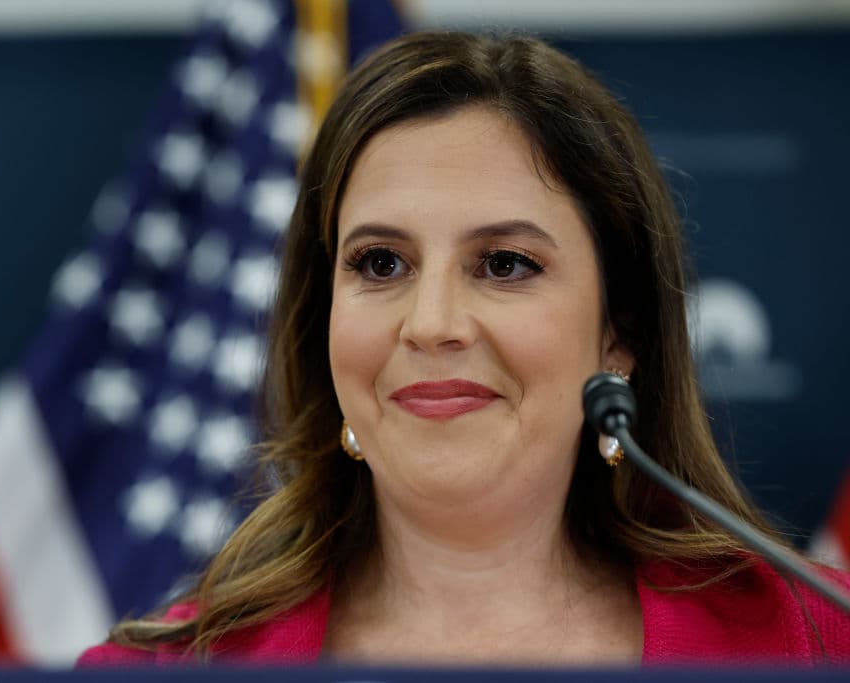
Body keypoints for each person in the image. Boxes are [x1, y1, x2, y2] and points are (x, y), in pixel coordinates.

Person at [79, 31, 850, 667]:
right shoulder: (162, 671)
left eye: (505, 264)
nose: (432, 323)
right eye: (381, 263)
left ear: (620, 334)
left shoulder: (817, 640)